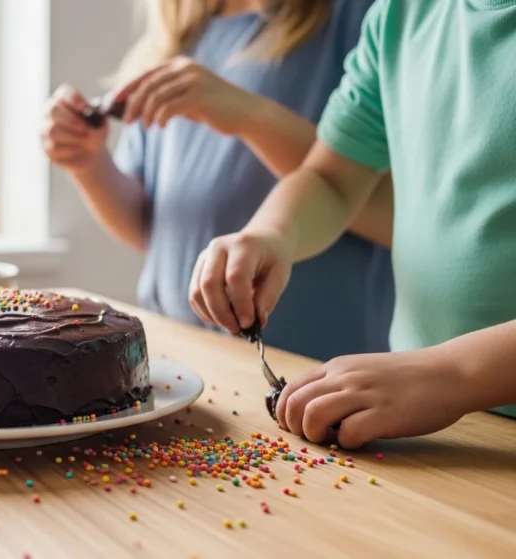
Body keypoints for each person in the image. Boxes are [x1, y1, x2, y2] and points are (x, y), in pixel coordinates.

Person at [189, 0, 516, 448]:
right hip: (428, 429)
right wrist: (271, 233)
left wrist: (454, 372)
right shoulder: (401, 14)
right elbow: (332, 179)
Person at [41, 0, 395, 363]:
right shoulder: (176, 38)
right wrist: (88, 163)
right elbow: (147, 226)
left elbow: (388, 208)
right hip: (176, 353)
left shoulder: (363, 16)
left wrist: (244, 113)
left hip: (314, 367)